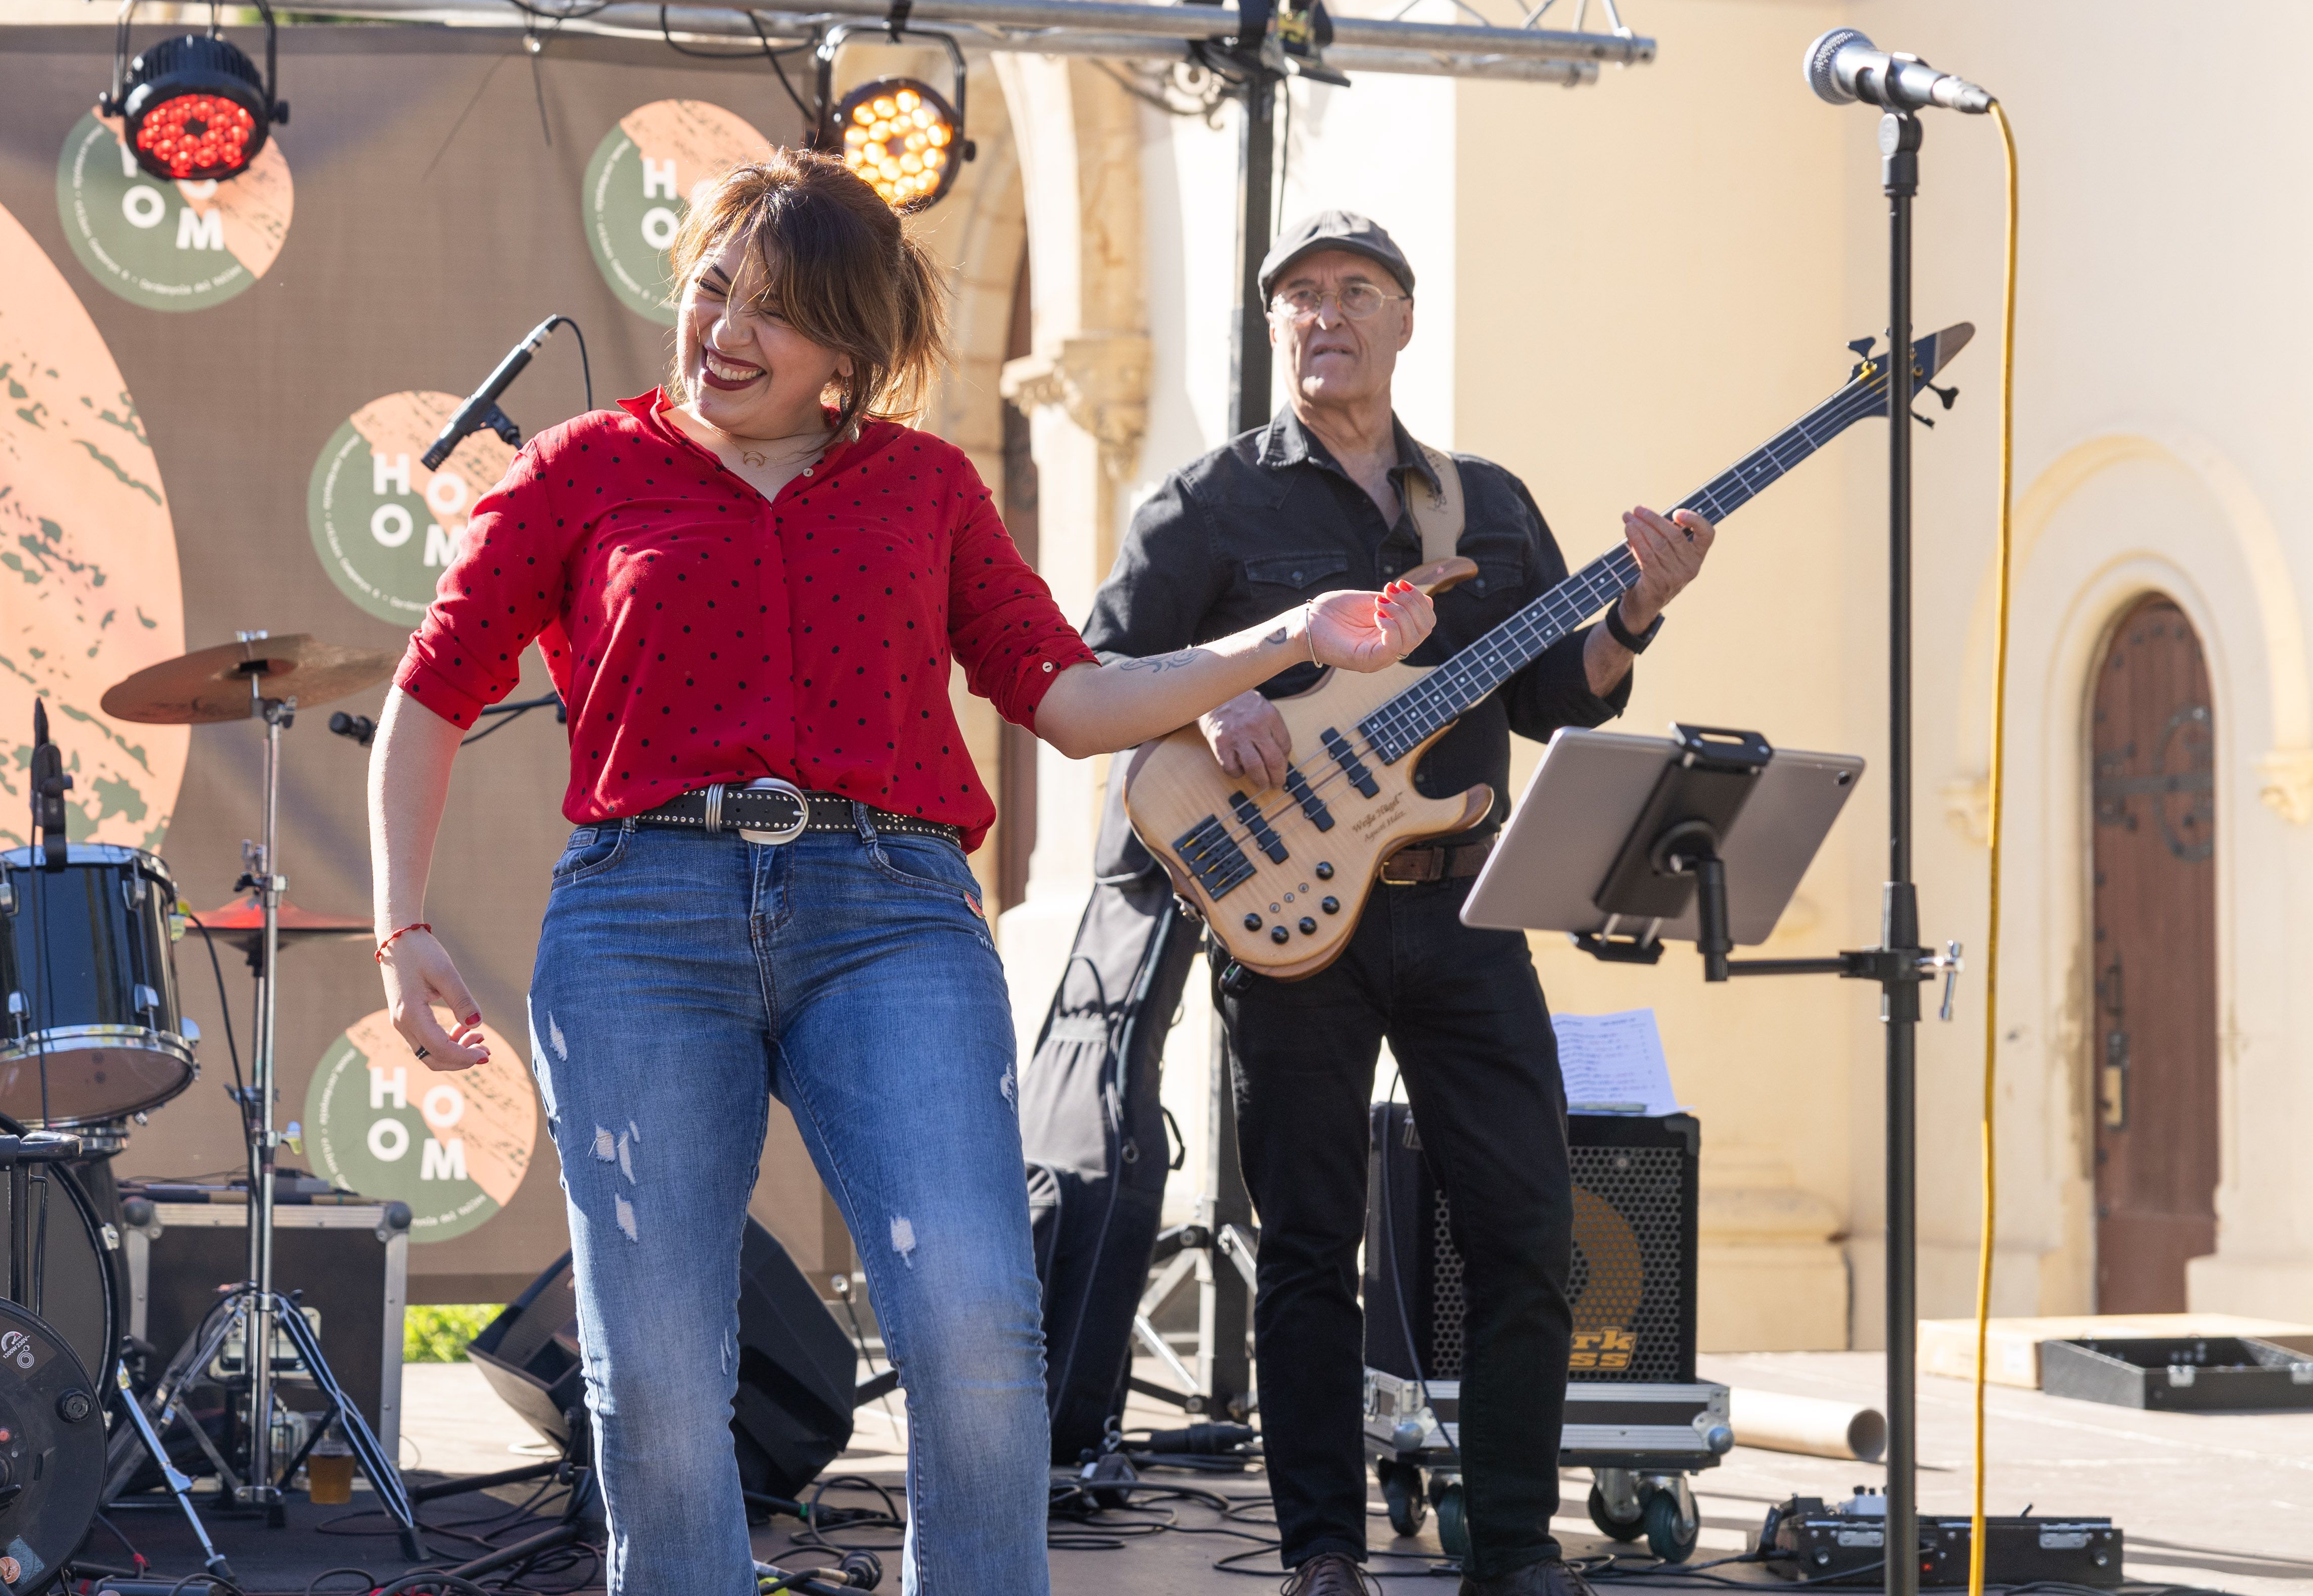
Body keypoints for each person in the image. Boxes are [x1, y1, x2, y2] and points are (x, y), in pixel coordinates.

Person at [366, 152, 1438, 1596]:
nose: (724, 330)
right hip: (643, 915)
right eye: (712, 289)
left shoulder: (923, 486)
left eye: (775, 312)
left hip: (890, 912)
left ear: (848, 356)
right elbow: (431, 691)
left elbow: (1071, 698)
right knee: (659, 1371)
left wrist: (1293, 634)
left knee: (977, 1327)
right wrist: (402, 925)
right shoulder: (582, 466)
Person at [1077, 210, 1715, 1596]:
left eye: (1355, 291)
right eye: (1299, 296)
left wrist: (1633, 617)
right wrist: (1219, 700)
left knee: (1527, 1229)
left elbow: (1553, 699)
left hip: (1466, 907)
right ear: (1277, 327)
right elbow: (1099, 673)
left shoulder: (1487, 504)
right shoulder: (1209, 504)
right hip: (1293, 916)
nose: (1326, 315)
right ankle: (1322, 1553)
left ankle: (1517, 1548)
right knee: (1310, 1244)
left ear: (1405, 320)